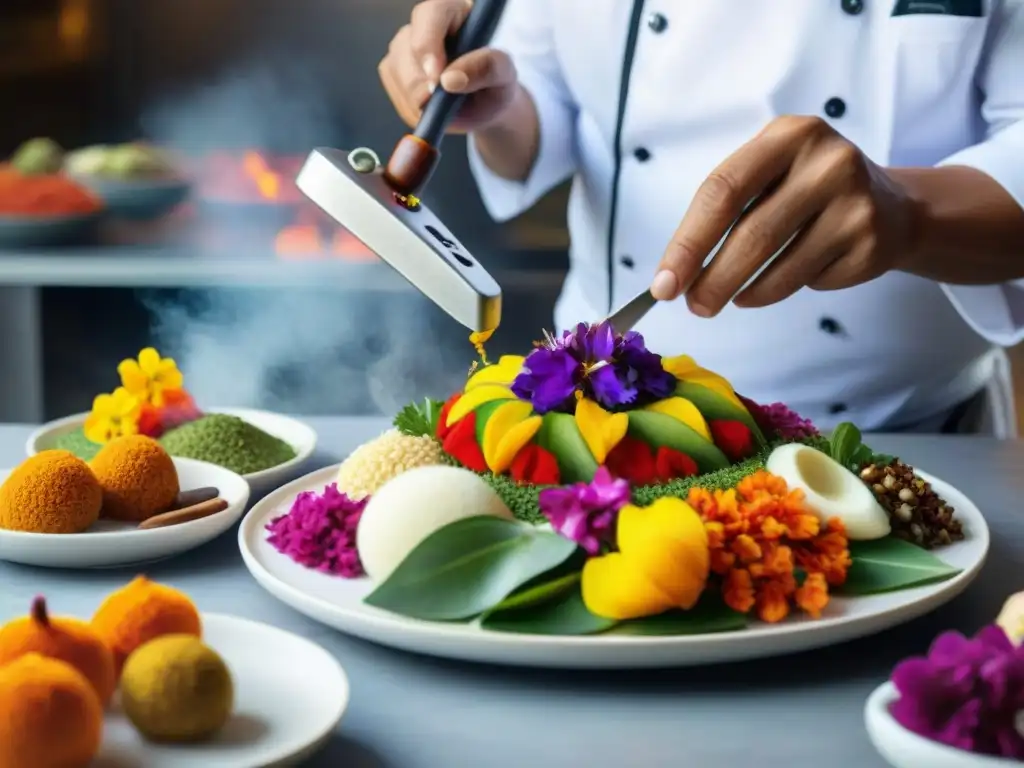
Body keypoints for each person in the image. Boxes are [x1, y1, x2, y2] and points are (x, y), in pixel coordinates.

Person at [379, 0, 1024, 435]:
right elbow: (543, 100)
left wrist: (906, 212)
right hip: (615, 425)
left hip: (918, 434)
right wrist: (497, 109)